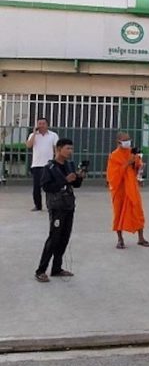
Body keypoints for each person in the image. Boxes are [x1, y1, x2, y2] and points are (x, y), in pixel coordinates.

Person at [35, 138, 84, 283]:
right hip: (57, 207)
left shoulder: (69, 165)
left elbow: (75, 185)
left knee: (64, 238)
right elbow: (46, 187)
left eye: (71, 149)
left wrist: (79, 177)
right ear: (58, 149)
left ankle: (57, 268)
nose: (70, 151)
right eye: (67, 148)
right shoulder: (49, 167)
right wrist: (64, 180)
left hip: (68, 205)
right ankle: (41, 270)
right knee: (54, 238)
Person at [106, 132, 149, 249]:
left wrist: (139, 165)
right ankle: (120, 239)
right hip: (120, 189)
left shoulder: (132, 152)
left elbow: (137, 167)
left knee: (137, 211)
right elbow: (112, 175)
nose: (128, 142)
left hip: (132, 187)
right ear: (118, 142)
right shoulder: (114, 156)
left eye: (129, 140)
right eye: (125, 140)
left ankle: (141, 238)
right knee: (119, 213)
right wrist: (127, 163)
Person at [25, 117, 59, 211]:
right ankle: (38, 205)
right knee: (36, 187)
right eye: (39, 124)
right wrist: (34, 133)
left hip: (49, 164)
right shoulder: (33, 135)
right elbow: (29, 145)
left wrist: (56, 161)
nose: (41, 126)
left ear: (47, 125)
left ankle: (51, 204)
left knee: (50, 186)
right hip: (37, 164)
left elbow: (56, 149)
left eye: (43, 124)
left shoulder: (53, 135)